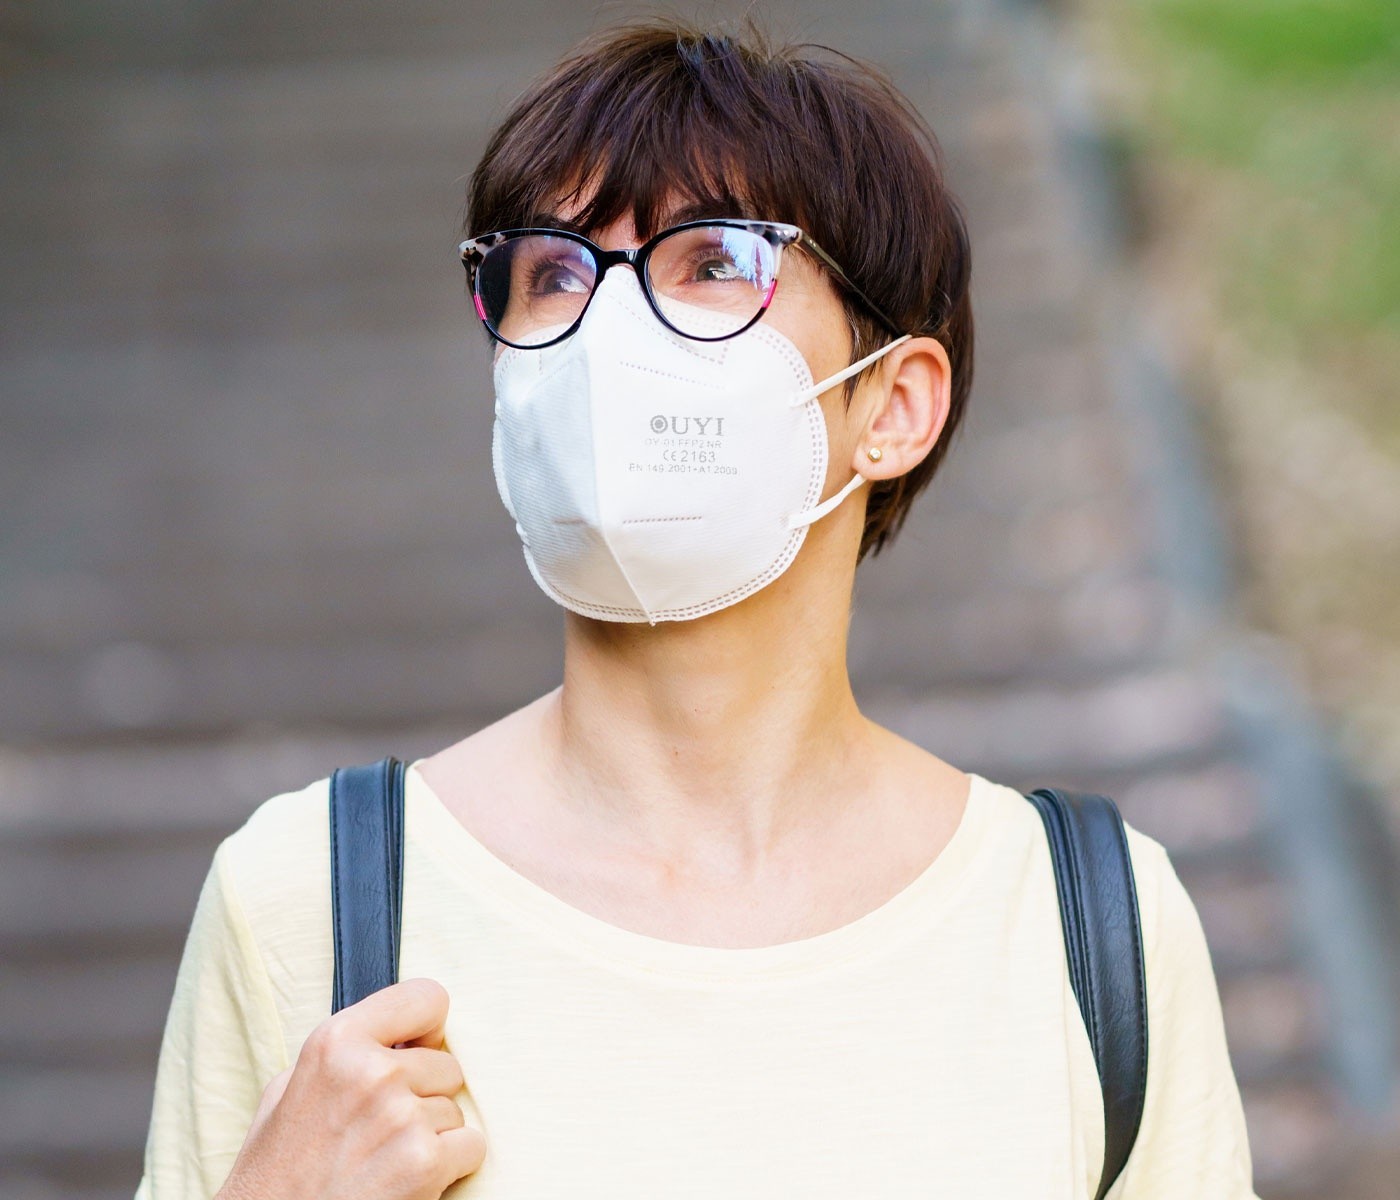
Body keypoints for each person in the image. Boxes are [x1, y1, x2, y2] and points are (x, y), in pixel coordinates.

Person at [136, 18, 1258, 1200]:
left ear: (892, 408)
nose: (606, 334)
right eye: (553, 273)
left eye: (713, 262)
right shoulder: (308, 901)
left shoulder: (1088, 930)